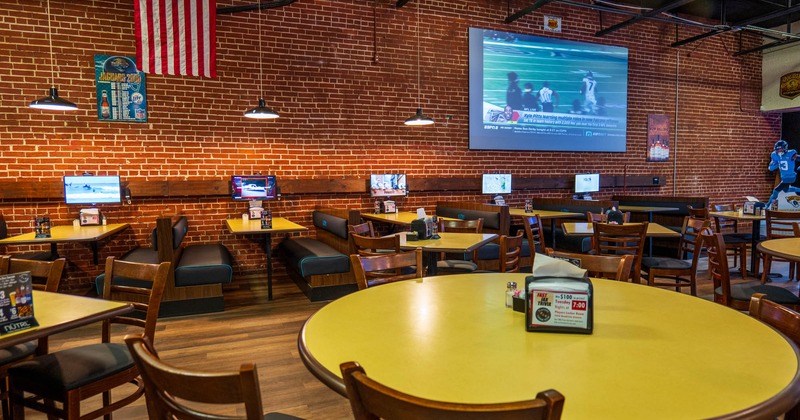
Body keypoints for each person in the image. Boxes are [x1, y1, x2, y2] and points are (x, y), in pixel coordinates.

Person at [766, 139, 800, 209]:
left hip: (790, 177)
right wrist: (773, 164)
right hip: (784, 177)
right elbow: (771, 168)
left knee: (775, 191)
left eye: (781, 149)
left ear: (785, 149)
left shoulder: (791, 153)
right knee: (786, 190)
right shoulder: (775, 155)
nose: (779, 151)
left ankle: (768, 206)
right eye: (778, 150)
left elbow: (798, 158)